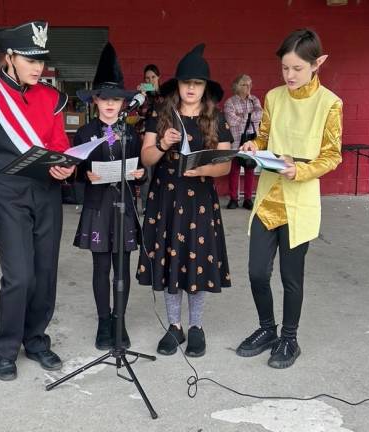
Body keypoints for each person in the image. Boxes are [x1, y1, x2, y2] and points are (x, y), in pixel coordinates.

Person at [0, 21, 74, 381]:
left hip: (46, 194)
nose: (39, 67)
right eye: (29, 59)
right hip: (6, 198)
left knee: (45, 274)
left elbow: (59, 143)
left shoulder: (52, 96)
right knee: (19, 277)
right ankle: (6, 346)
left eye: (41, 59)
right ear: (9, 57)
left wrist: (64, 164)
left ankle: (36, 340)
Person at [237, 29, 342, 369]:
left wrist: (302, 171)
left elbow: (332, 155)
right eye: (285, 68)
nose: (290, 75)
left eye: (297, 68)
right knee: (256, 273)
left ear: (318, 64)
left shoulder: (330, 103)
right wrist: (254, 145)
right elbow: (264, 135)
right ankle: (267, 329)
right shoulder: (273, 97)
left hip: (300, 201)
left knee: (290, 278)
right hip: (269, 199)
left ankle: (290, 339)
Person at [137, 43, 232, 358]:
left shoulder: (216, 118)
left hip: (199, 200)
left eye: (198, 83)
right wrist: (163, 143)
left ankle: (196, 327)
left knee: (197, 261)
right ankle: (174, 327)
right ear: (177, 85)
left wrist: (202, 168)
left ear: (205, 88)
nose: (191, 88)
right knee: (169, 262)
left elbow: (226, 163)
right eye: (186, 82)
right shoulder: (161, 115)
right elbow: (147, 158)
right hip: (165, 198)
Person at [73, 43, 145, 350]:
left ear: (122, 103)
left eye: (116, 99)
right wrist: (82, 175)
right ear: (95, 100)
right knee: (101, 268)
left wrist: (141, 175)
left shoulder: (132, 134)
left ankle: (120, 319)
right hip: (97, 207)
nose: (110, 104)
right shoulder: (84, 132)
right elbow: (73, 168)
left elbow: (142, 166)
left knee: (123, 267)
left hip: (124, 207)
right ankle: (104, 321)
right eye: (104, 98)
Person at [224, 74, 263, 210]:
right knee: (234, 170)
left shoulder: (254, 100)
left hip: (251, 141)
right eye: (244, 84)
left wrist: (242, 116)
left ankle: (248, 199)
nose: (248, 87)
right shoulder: (230, 102)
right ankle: (233, 199)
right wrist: (249, 117)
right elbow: (231, 120)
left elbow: (260, 115)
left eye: (250, 84)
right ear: (237, 86)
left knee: (249, 169)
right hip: (236, 141)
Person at [137, 64, 162, 213]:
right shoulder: (141, 96)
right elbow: (141, 113)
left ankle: (159, 204)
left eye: (153, 77)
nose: (150, 80)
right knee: (146, 172)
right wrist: (142, 95)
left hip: (161, 138)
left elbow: (163, 113)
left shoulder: (164, 95)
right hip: (144, 137)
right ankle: (146, 205)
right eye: (147, 78)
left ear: (158, 77)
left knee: (160, 172)